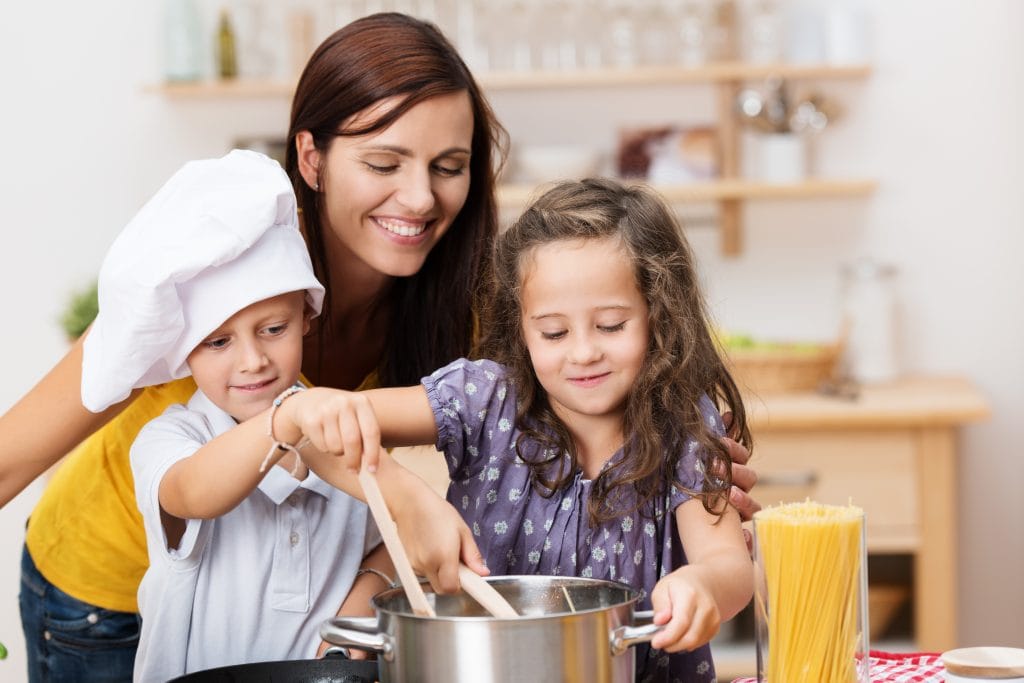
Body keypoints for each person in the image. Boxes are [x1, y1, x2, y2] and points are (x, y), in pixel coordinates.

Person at [3, 12, 757, 682]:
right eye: (384, 163)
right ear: (311, 158)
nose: (422, 198)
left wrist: (673, 457)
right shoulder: (221, 264)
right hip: (108, 592)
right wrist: (400, 492)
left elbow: (566, 409)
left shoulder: (471, 300)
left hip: (290, 619)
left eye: (448, 167)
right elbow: (18, 452)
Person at [276, 178, 756, 683]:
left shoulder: (681, 423)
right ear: (521, 326)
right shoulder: (484, 399)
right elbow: (309, 421)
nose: (583, 352)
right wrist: (405, 498)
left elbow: (729, 566)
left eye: (612, 325)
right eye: (553, 332)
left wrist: (701, 586)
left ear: (658, 316)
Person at [80, 149, 440, 681]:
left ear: (306, 319)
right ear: (185, 351)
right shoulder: (172, 438)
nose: (252, 361)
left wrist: (364, 596)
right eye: (218, 341)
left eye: (274, 329)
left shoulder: (341, 426)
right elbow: (195, 492)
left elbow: (391, 533)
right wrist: (287, 417)